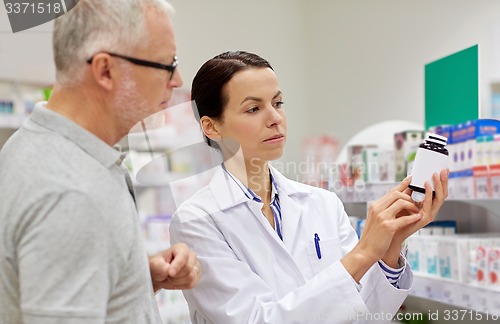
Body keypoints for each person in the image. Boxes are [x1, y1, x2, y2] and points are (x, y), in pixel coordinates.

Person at [169, 51, 449, 323]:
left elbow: (365, 313)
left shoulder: (323, 203)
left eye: (277, 103)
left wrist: (390, 246)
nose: (274, 118)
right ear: (211, 127)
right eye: (253, 108)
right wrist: (363, 252)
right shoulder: (196, 220)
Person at [0, 1, 200, 323]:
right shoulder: (73, 194)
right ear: (106, 70)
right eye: (167, 64)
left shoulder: (33, 145)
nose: (177, 80)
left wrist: (132, 276)